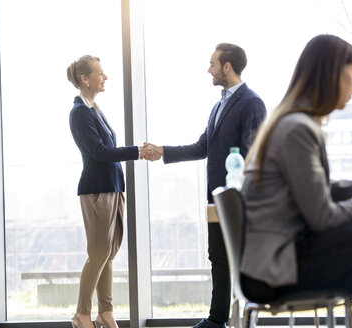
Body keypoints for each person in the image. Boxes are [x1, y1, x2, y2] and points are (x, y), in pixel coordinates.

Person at [239, 34, 352, 303]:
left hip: (277, 262)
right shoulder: (297, 129)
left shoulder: (293, 123)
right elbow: (323, 217)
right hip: (275, 272)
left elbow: (320, 192)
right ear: (333, 72)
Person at [146, 43, 266, 328]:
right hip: (216, 199)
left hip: (239, 201)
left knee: (240, 261)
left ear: (227, 66)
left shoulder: (252, 102)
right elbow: (204, 146)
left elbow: (254, 153)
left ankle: (243, 318)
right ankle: (217, 320)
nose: (208, 69)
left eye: (213, 63)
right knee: (218, 258)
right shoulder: (218, 105)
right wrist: (163, 150)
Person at [67, 55, 156, 328]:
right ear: (85, 78)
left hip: (113, 187)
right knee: (98, 252)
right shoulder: (80, 112)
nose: (104, 77)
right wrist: (137, 152)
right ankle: (82, 314)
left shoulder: (93, 109)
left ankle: (105, 312)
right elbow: (99, 152)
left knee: (109, 253)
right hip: (96, 190)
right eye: (100, 73)